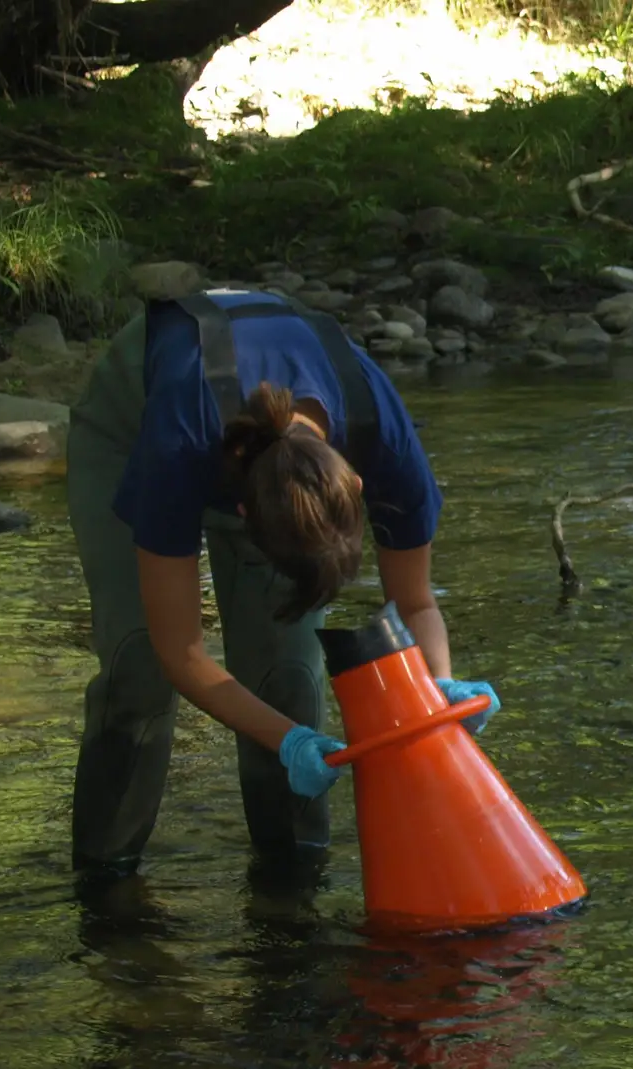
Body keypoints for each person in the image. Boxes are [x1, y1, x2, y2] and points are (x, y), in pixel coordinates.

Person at [64, 286, 502, 881]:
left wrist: (441, 687)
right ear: (245, 519)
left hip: (264, 462)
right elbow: (182, 653)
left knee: (289, 681)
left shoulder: (386, 442)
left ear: (359, 488)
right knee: (137, 666)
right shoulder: (177, 444)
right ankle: (104, 882)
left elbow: (417, 602)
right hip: (131, 420)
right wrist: (288, 742)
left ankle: (293, 888)